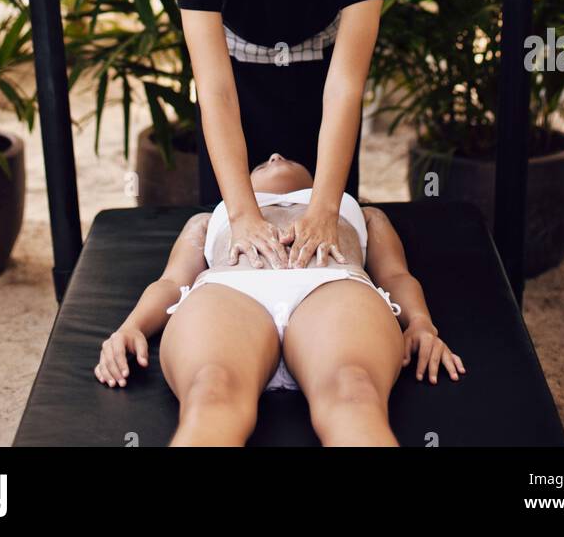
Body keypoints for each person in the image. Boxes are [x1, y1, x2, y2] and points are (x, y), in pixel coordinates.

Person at [94, 152, 465, 446]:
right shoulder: (209, 220)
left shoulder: (363, 213)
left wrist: (419, 322)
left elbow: (397, 275)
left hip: (332, 286)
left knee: (354, 391)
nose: (274, 156)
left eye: (285, 158)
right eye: (261, 162)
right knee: (211, 391)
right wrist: (131, 326)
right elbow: (172, 282)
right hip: (231, 291)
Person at [174, 0, 390, 274]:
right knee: (230, 254)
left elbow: (345, 88)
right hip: (236, 96)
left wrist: (326, 208)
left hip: (320, 101)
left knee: (329, 250)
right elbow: (215, 91)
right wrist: (242, 214)